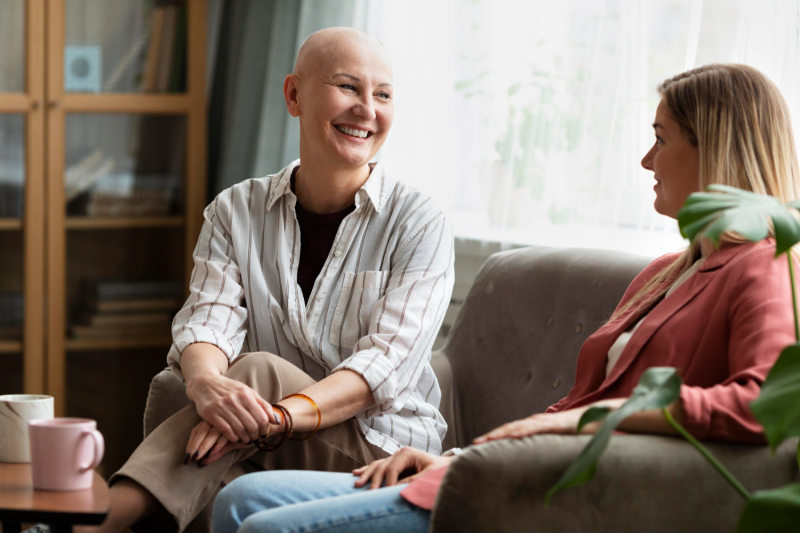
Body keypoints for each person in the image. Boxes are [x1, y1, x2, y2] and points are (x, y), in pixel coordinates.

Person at [212, 63, 800, 533]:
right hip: (504, 467)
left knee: (261, 524)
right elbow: (571, 405)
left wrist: (602, 419)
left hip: (563, 494)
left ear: (714, 149)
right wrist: (459, 457)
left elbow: (762, 405)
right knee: (241, 497)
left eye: (660, 139)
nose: (647, 160)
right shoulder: (663, 274)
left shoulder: (765, 265)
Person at [75, 27, 454, 533]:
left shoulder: (418, 221)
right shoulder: (235, 210)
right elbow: (208, 323)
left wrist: (272, 417)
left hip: (377, 447)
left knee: (254, 372)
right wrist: (208, 385)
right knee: (181, 390)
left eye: (382, 95)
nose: (368, 109)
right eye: (348, 87)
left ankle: (90, 525)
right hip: (271, 428)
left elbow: (379, 370)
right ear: (294, 95)